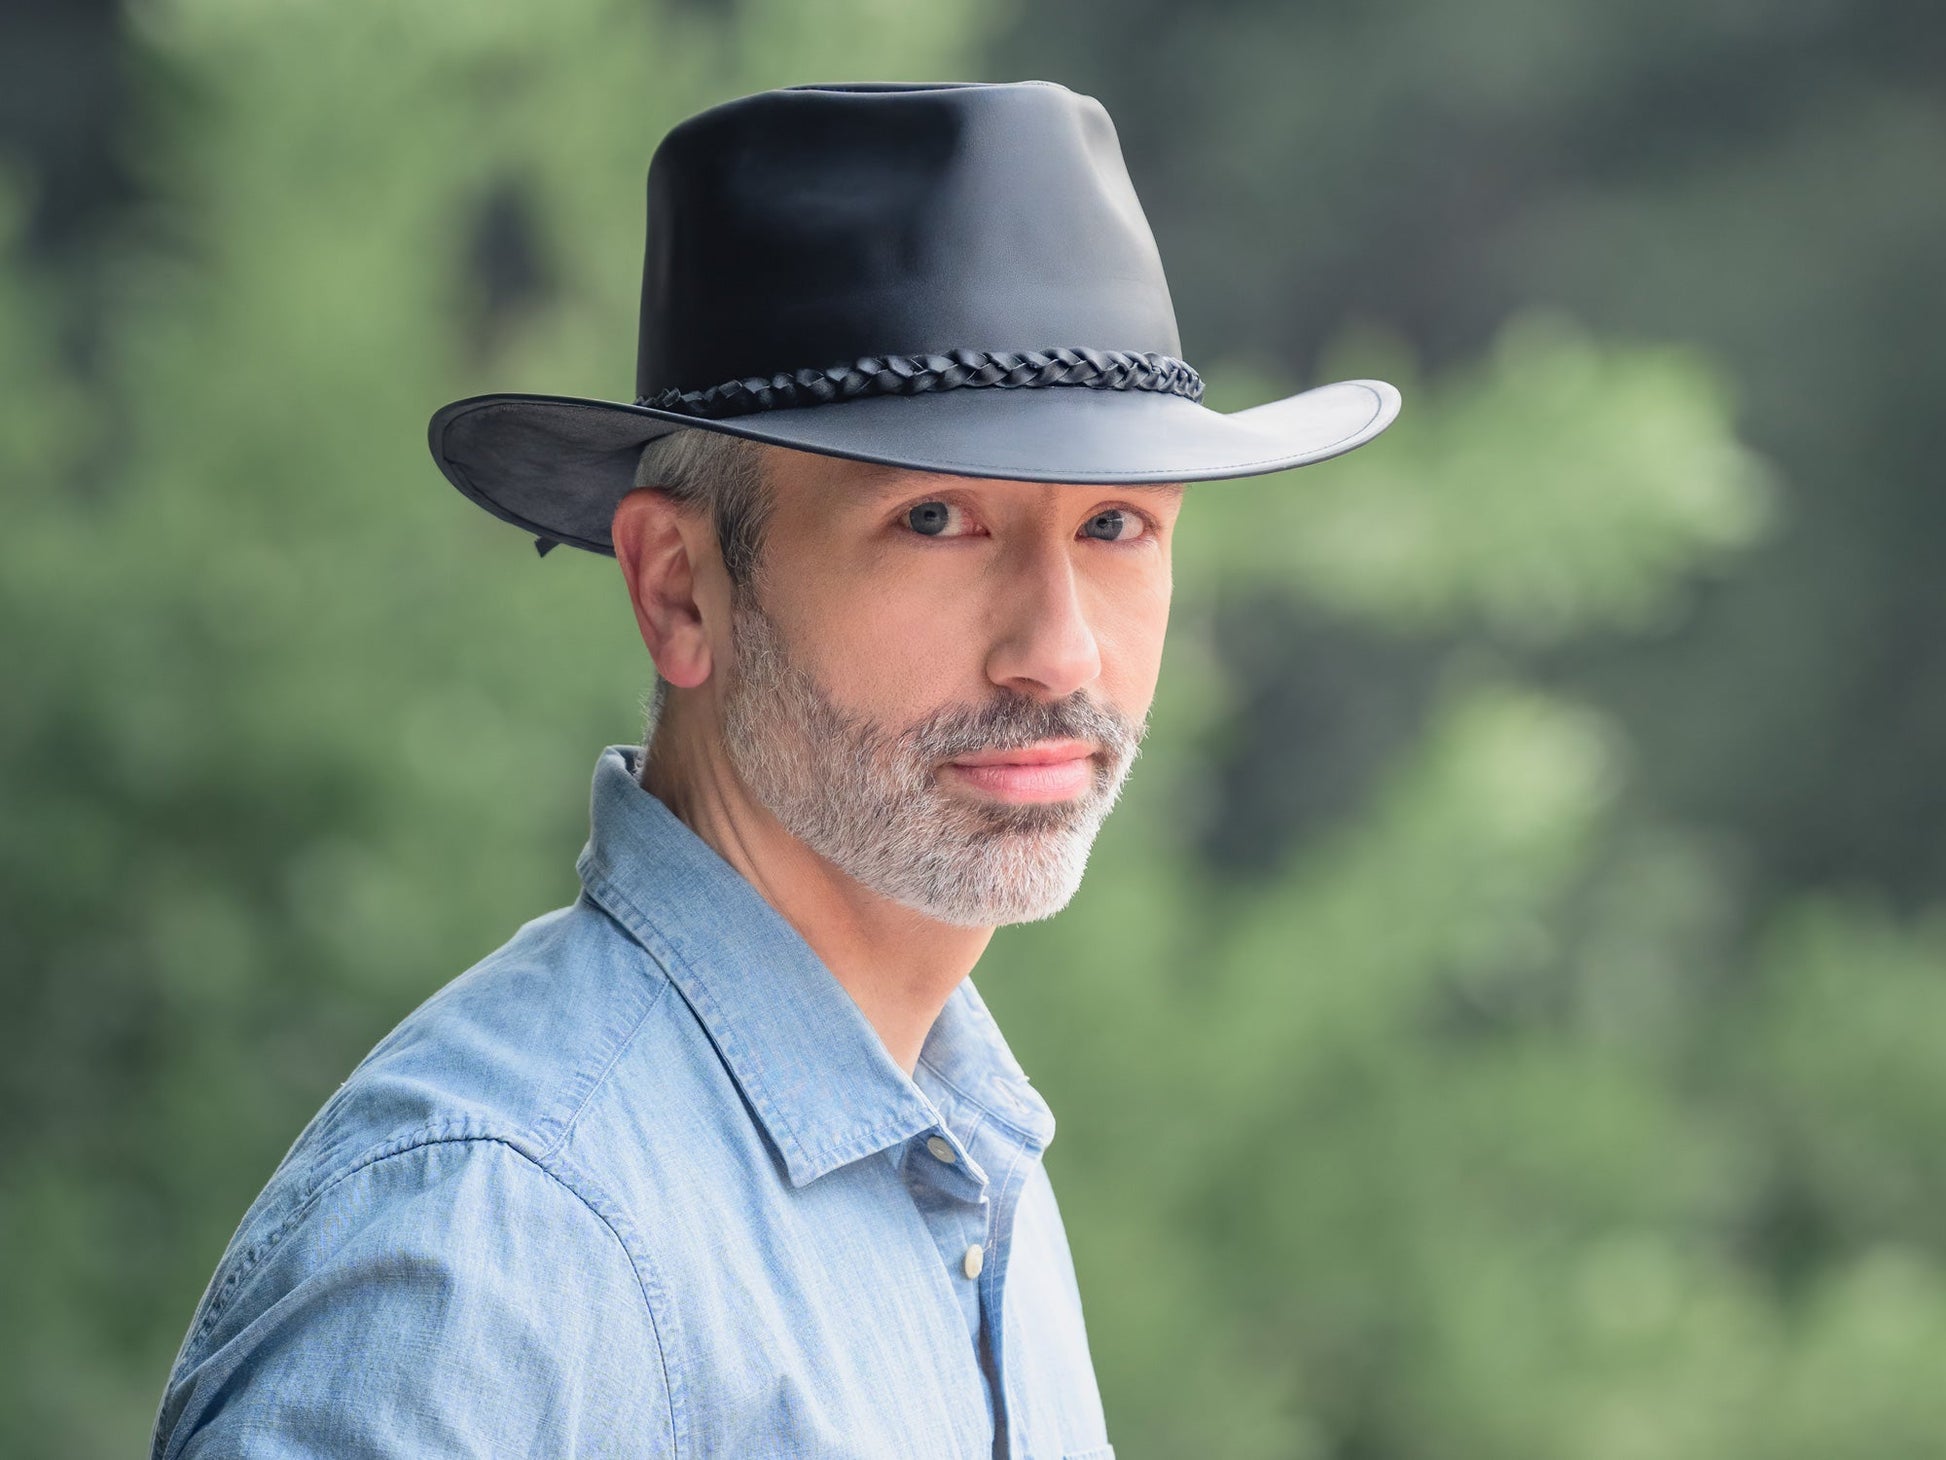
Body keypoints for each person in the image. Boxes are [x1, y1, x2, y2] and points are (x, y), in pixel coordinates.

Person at [150, 80, 1399, 1459]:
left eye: (1115, 526)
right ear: (678, 588)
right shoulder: (496, 1244)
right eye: (937, 519)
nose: (1056, 654)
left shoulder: (975, 1170)